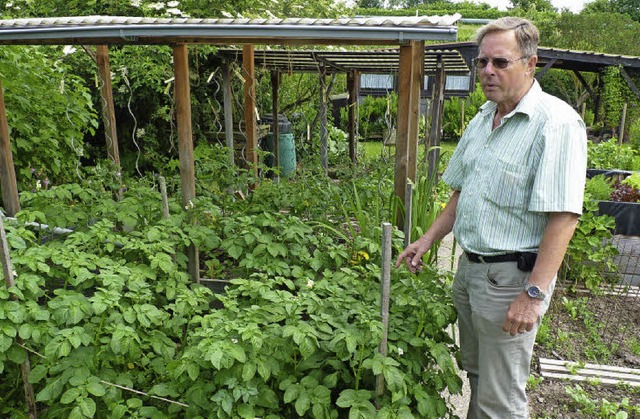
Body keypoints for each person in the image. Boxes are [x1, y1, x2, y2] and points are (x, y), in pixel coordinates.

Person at [395, 17, 587, 418]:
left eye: (500, 62)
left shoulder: (555, 123)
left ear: (530, 63)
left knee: (501, 399)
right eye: (482, 62)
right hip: (471, 273)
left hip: (512, 281)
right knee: (478, 377)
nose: (487, 71)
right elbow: (463, 190)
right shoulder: (484, 118)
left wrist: (533, 294)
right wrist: (428, 239)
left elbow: (564, 217)